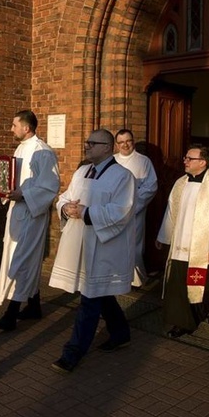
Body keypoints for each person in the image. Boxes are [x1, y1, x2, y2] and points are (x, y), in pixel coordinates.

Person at [48, 129, 135, 373]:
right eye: (87, 142)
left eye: (93, 143)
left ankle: (72, 353)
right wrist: (66, 208)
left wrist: (86, 212)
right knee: (100, 293)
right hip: (80, 243)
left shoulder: (122, 176)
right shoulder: (82, 171)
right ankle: (120, 333)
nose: (87, 146)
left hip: (104, 247)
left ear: (107, 147)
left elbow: (122, 211)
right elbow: (65, 197)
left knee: (90, 298)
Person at [156, 145, 209, 338]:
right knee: (179, 286)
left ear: (203, 162)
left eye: (189, 158)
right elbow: (170, 212)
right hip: (181, 246)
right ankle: (182, 322)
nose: (185, 161)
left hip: (205, 246)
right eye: (186, 157)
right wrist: (163, 237)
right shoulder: (180, 183)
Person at [0, 110, 60, 331]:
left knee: (22, 260)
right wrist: (5, 191)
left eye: (14, 125)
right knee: (22, 257)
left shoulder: (43, 152)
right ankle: (34, 305)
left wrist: (25, 196)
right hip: (18, 210)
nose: (11, 129)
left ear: (26, 128)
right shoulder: (21, 148)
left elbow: (50, 186)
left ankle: (11, 314)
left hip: (31, 213)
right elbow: (15, 179)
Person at [114, 128, 158, 287]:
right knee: (115, 245)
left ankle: (135, 280)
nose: (125, 145)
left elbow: (150, 186)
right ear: (116, 145)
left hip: (135, 211)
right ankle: (117, 278)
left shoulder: (143, 161)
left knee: (134, 245)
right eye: (121, 142)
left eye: (128, 141)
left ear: (132, 142)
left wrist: (133, 205)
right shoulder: (111, 161)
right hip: (114, 211)